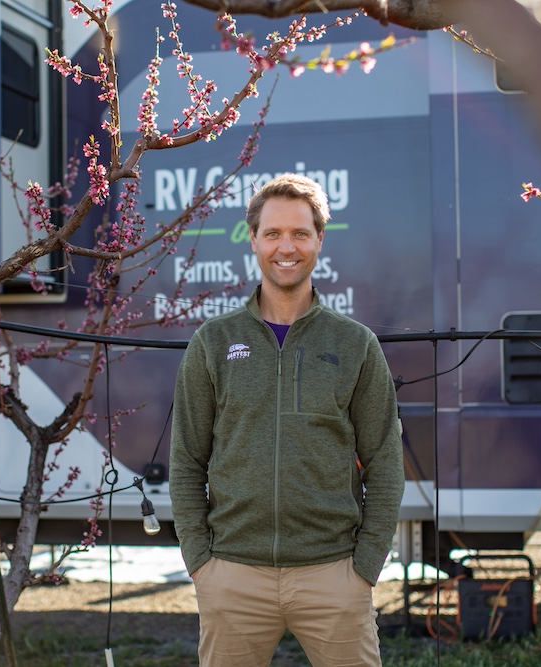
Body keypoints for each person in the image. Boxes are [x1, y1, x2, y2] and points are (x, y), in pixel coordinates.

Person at [169, 173, 405, 666]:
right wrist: (201, 563)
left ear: (320, 239)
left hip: (333, 575)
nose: (286, 247)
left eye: (300, 232)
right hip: (233, 576)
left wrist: (364, 568)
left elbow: (384, 460)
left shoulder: (355, 344)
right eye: (273, 233)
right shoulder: (213, 343)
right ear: (253, 239)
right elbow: (188, 460)